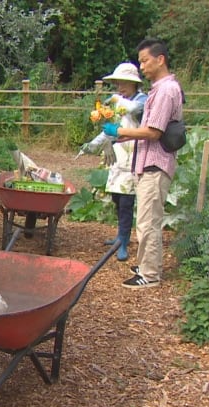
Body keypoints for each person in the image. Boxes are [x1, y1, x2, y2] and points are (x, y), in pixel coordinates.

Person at [101, 38, 184, 289]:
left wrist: (119, 129)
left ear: (161, 60)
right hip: (148, 162)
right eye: (140, 62)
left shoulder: (166, 90)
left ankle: (149, 275)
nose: (143, 66)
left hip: (155, 164)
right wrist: (122, 135)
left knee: (149, 222)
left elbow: (153, 132)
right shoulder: (160, 89)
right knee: (146, 219)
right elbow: (148, 130)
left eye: (145, 61)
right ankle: (147, 264)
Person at [79, 62, 147, 261]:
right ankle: (120, 235)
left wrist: (117, 100)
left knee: (127, 201)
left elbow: (134, 110)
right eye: (117, 84)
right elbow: (110, 128)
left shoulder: (141, 100)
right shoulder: (120, 102)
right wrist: (92, 145)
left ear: (134, 84)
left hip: (135, 155)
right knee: (117, 199)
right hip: (118, 157)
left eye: (124, 83)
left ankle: (124, 242)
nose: (120, 88)